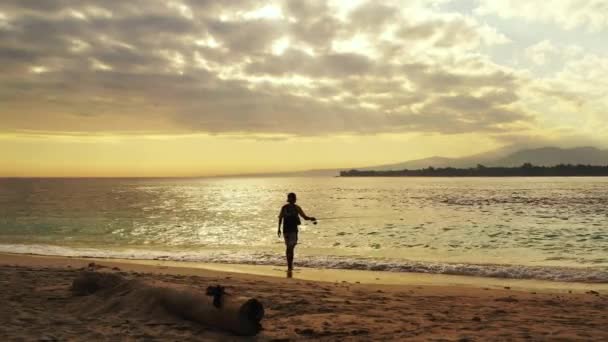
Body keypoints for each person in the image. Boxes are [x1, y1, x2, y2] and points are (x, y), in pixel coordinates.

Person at [277, 192, 315, 273]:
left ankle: (290, 266)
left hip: (293, 230)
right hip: (286, 230)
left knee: (291, 247)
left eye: (292, 198)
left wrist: (311, 218)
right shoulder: (284, 207)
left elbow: (304, 217)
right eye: (291, 198)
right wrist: (278, 229)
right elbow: (280, 218)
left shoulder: (297, 208)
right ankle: (289, 266)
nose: (292, 199)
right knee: (289, 247)